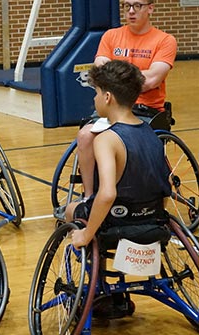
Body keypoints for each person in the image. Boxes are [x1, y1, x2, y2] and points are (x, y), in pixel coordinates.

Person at [68, 60, 172, 319]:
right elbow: (167, 187)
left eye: (95, 93)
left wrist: (86, 234)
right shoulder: (152, 134)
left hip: (118, 222)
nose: (94, 99)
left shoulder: (106, 138)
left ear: (107, 96)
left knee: (72, 211)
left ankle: (99, 289)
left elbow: (107, 194)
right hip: (154, 222)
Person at [76, 0, 177, 197]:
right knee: (85, 136)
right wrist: (136, 75)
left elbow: (152, 81)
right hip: (112, 109)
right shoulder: (111, 36)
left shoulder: (165, 41)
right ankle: (89, 196)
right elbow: (99, 72)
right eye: (126, 6)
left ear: (150, 8)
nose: (131, 11)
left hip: (146, 110)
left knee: (122, 141)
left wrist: (115, 76)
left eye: (137, 6)